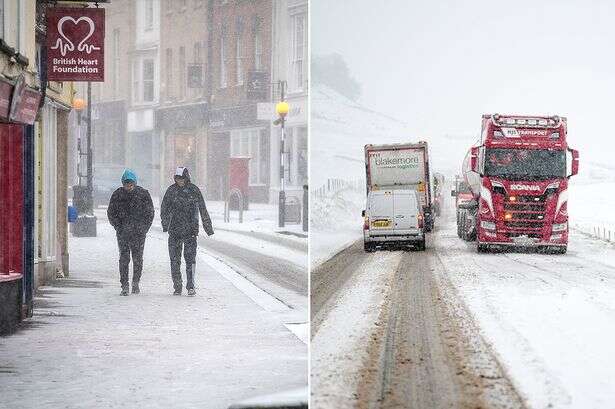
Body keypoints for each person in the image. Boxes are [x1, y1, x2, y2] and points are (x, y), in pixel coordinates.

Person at [160, 167, 214, 296]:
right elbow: (164, 209)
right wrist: (165, 224)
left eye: (182, 178)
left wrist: (208, 227)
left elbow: (202, 209)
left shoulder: (194, 190)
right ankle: (177, 286)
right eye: (178, 179)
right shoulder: (171, 191)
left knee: (190, 259)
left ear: (187, 178)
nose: (180, 181)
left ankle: (191, 285)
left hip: (190, 231)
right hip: (174, 231)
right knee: (174, 260)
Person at [107, 169, 155, 296]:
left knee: (137, 258)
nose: (128, 186)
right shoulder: (117, 195)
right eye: (126, 183)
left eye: (131, 183)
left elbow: (150, 213)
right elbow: (111, 212)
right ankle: (124, 284)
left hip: (138, 233)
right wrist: (118, 226)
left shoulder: (143, 194)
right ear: (123, 183)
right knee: (124, 258)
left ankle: (135, 282)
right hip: (123, 232)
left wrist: (144, 228)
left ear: (135, 183)